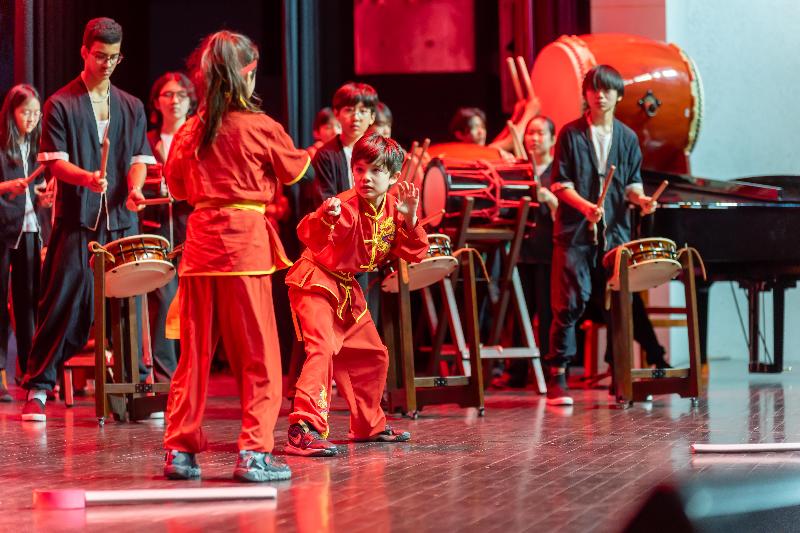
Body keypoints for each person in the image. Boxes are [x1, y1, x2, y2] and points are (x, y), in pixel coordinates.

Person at [162, 30, 312, 482]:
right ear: (246, 73)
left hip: (200, 248)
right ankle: (253, 452)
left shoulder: (191, 130)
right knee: (259, 355)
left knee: (193, 357)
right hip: (244, 248)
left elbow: (178, 187)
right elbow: (294, 170)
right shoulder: (258, 126)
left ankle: (179, 450)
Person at [20, 17, 156, 421]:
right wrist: (87, 178)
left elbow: (138, 160)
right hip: (77, 222)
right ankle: (38, 386)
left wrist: (135, 188)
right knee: (62, 301)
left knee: (128, 305)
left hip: (121, 222)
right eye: (100, 56)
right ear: (84, 52)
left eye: (114, 57)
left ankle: (135, 389)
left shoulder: (130, 105)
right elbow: (55, 164)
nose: (107, 64)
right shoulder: (61, 103)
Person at [284, 132, 427, 457]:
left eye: (375, 171)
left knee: (372, 354)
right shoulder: (344, 206)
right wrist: (325, 218)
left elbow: (416, 252)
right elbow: (308, 235)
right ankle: (302, 429)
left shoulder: (394, 208)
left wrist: (410, 218)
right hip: (316, 281)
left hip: (346, 287)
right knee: (322, 348)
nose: (365, 178)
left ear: (393, 177)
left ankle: (367, 425)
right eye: (360, 169)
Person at [545, 65, 657, 406]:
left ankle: (620, 375)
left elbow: (632, 185)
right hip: (575, 233)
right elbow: (559, 184)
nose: (600, 95)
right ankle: (558, 376)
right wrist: (585, 208)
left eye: (607, 89)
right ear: (586, 94)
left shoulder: (627, 138)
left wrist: (642, 201)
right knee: (569, 302)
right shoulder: (570, 134)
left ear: (619, 95)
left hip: (615, 234)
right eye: (593, 89)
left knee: (620, 302)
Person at [142, 72, 197, 383]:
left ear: (190, 101)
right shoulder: (148, 140)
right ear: (157, 101)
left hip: (192, 231)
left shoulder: (197, 137)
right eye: (168, 94)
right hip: (156, 230)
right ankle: (167, 378)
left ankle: (192, 374)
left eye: (181, 95)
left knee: (192, 305)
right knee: (163, 302)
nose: (175, 101)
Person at [0, 84, 51, 402]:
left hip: (31, 229)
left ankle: (31, 373)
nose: (31, 119)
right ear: (11, 113)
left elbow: (39, 192)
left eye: (35, 113)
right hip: (4, 229)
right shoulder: (2, 145)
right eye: (25, 112)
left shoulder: (36, 148)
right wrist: (7, 186)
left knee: (29, 303)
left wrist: (44, 198)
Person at [500, 115, 557, 388]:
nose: (534, 138)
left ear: (552, 139)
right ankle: (517, 372)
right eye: (530, 133)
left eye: (540, 133)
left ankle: (547, 370)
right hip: (522, 250)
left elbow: (568, 212)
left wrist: (550, 198)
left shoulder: (559, 171)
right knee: (519, 313)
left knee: (546, 314)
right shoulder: (521, 169)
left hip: (549, 251)